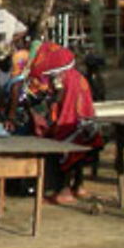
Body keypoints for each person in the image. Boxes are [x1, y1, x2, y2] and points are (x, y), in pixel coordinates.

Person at [27, 44, 103, 205]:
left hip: (70, 119)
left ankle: (64, 191)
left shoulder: (60, 78)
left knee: (65, 150)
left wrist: (50, 103)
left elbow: (59, 97)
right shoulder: (77, 75)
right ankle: (79, 186)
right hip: (84, 118)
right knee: (80, 151)